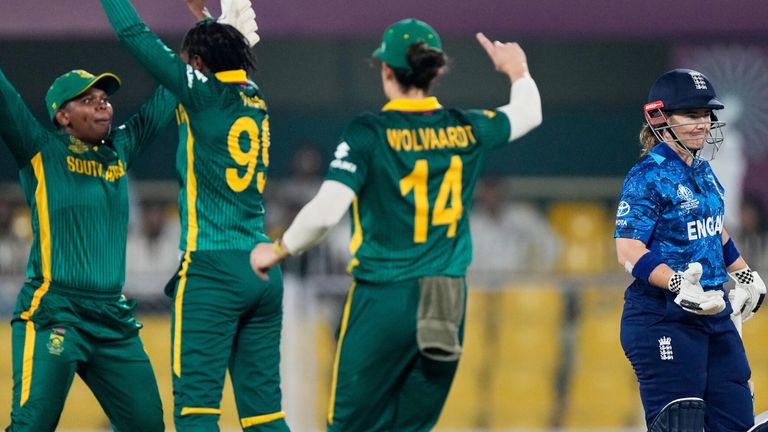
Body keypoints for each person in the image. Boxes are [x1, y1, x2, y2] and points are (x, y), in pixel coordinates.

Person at [250, 18, 542, 431]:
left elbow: (326, 212)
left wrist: (277, 250)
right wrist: (517, 69)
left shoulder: (368, 132)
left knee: (350, 426)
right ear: (436, 72)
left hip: (383, 296)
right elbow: (529, 113)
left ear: (385, 70)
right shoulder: (466, 127)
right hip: (446, 296)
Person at [99, 0, 289, 430]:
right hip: (261, 268)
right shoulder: (255, 99)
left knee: (196, 412)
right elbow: (226, 55)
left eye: (190, 60)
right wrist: (204, 19)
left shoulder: (200, 94)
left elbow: (136, 37)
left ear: (199, 64)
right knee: (265, 415)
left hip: (211, 270)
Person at [0, 65, 176, 429]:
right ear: (61, 116)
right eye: (87, 100)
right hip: (55, 313)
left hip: (112, 317)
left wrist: (200, 51)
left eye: (104, 99)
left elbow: (165, 97)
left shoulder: (119, 150)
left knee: (149, 426)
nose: (102, 106)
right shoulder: (41, 150)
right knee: (31, 426)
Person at [614, 68, 766, 431]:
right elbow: (628, 249)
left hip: (713, 315)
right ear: (660, 118)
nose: (703, 124)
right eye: (691, 115)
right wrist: (679, 284)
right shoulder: (647, 176)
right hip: (663, 318)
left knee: (737, 424)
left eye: (706, 115)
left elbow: (713, 230)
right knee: (682, 423)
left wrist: (744, 273)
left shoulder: (702, 170)